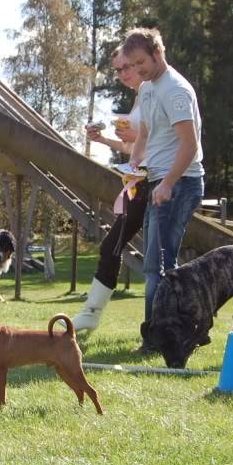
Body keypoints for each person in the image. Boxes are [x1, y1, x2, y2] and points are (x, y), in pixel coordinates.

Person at [124, 28, 204, 352]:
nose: (137, 70)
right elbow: (144, 136)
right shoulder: (146, 89)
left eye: (141, 62)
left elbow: (190, 144)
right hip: (157, 182)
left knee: (160, 266)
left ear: (158, 52)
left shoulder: (175, 90)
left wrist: (169, 182)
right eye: (132, 64)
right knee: (153, 265)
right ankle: (181, 331)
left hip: (180, 183)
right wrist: (132, 168)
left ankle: (157, 340)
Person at [70, 48, 147, 332]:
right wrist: (102, 140)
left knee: (114, 246)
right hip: (137, 180)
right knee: (111, 246)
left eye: (128, 66)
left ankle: (92, 313)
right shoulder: (140, 96)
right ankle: (91, 312)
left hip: (153, 180)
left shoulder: (152, 91)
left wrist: (135, 137)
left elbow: (166, 140)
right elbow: (132, 147)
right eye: (118, 69)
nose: (123, 74)